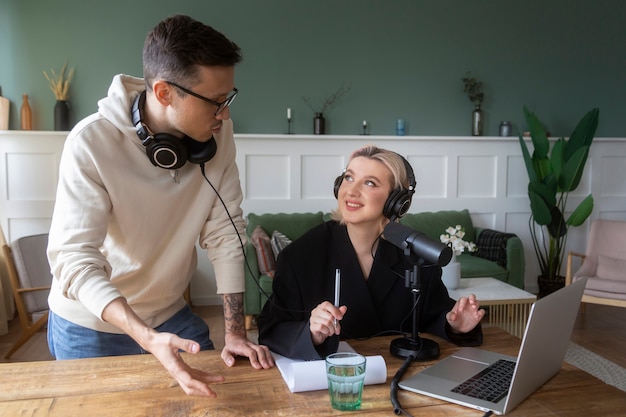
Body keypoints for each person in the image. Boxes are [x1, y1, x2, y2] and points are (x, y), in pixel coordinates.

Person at [46, 14, 274, 397]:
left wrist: (235, 331)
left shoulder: (217, 134)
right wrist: (147, 337)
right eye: (217, 102)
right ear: (165, 93)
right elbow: (74, 258)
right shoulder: (90, 144)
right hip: (90, 325)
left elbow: (225, 231)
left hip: (169, 313)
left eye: (229, 98)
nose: (226, 114)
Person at [257, 145, 485, 360]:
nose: (351, 191)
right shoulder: (300, 256)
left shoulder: (415, 254)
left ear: (396, 202)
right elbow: (271, 329)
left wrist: (454, 324)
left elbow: (433, 313)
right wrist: (311, 333)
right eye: (348, 178)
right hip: (336, 382)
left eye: (370, 183)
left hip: (403, 378)